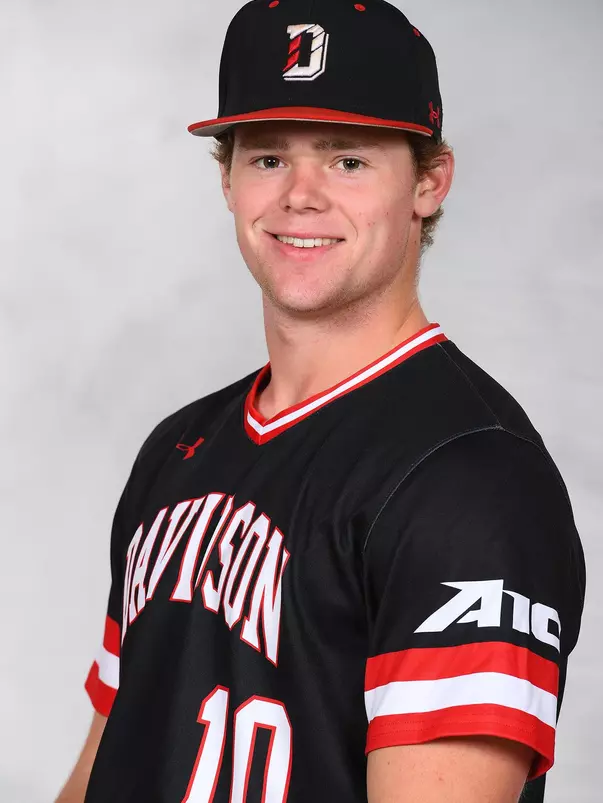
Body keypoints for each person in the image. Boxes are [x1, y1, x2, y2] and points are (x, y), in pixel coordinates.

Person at [55, 1, 586, 801]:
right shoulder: (176, 448)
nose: (300, 196)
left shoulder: (471, 479)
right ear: (227, 180)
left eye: (348, 160)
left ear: (428, 183)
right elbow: (110, 756)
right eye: (268, 159)